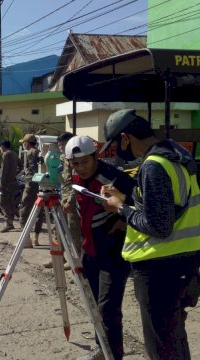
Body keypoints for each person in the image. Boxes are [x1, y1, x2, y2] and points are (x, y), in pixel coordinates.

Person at [100, 109, 200, 360]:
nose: (116, 151)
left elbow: (158, 226)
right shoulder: (177, 155)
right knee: (174, 339)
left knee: (161, 346)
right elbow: (169, 207)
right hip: (183, 260)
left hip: (159, 268)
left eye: (116, 144)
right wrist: (129, 198)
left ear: (126, 138)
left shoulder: (153, 166)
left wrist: (120, 208)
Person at [65, 136, 135, 360]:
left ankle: (113, 355)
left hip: (113, 253)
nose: (80, 168)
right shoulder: (76, 176)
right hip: (90, 252)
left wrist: (124, 219)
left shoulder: (113, 177)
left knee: (108, 309)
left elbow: (139, 200)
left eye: (85, 161)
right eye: (75, 163)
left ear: (95, 156)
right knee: (93, 305)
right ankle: (101, 349)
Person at [18, 134, 43, 247]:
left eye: (24, 142)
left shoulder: (31, 152)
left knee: (23, 210)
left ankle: (26, 240)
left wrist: (31, 182)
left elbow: (32, 170)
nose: (23, 144)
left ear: (27, 143)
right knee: (39, 212)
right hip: (40, 184)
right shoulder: (39, 151)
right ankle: (36, 239)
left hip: (31, 185)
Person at [0, 140, 18, 232]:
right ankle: (11, 220)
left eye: (0, 147)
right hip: (14, 182)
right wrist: (14, 174)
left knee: (2, 202)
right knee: (11, 202)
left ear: (3, 146)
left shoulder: (5, 154)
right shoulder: (14, 153)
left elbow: (3, 171)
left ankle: (8, 223)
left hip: (6, 184)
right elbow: (21, 166)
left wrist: (1, 183)